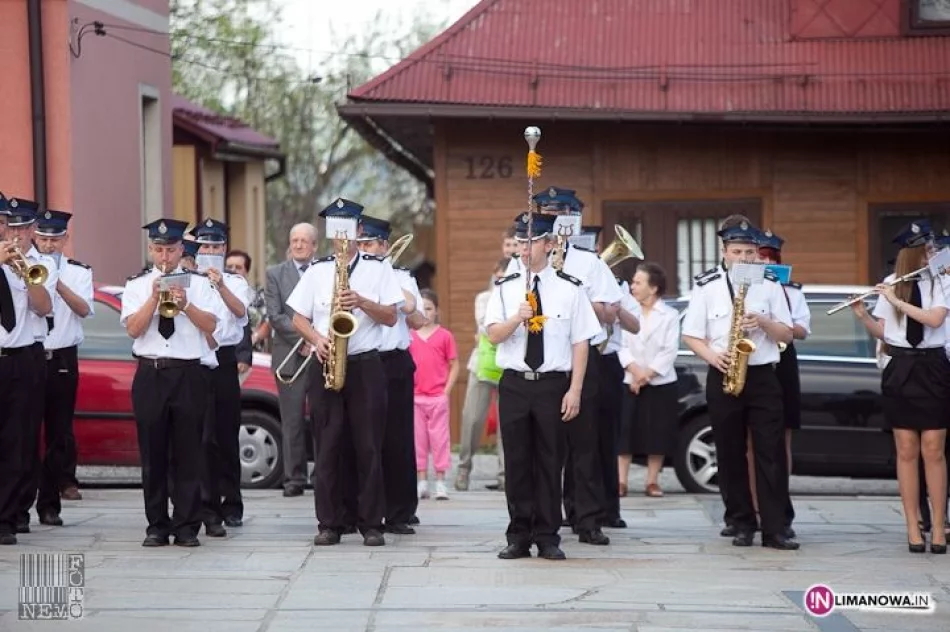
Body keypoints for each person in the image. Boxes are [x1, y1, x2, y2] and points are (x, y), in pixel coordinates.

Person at [287, 198, 403, 547]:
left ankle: (371, 523)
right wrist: (317, 339)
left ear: (358, 231)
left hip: (365, 364)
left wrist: (362, 301)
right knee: (327, 445)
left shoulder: (378, 268)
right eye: (335, 229)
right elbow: (297, 317)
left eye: (347, 228)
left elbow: (392, 317)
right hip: (326, 362)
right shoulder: (318, 269)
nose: (341, 236)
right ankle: (329, 522)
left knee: (368, 445)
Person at [485, 212, 600, 560]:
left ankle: (548, 534)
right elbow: (492, 335)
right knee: (518, 461)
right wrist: (515, 318)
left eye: (531, 241)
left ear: (549, 245)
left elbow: (581, 342)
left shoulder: (569, 288)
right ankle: (518, 533)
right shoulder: (505, 287)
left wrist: (575, 389)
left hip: (552, 384)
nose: (524, 248)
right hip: (516, 383)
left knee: (551, 460)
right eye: (520, 241)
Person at [681, 218, 797, 550]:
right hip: (724, 370)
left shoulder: (771, 284)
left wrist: (762, 321)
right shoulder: (707, 286)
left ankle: (774, 527)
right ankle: (740, 521)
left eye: (749, 251)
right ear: (725, 252)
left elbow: (786, 335)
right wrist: (712, 357)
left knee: (770, 452)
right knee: (729, 452)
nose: (744, 257)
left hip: (762, 374)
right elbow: (691, 334)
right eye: (737, 251)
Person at [524, 187, 624, 546]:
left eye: (562, 213)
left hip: (583, 354)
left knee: (584, 442)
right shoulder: (527, 258)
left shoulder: (589, 261)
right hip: (544, 360)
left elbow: (612, 310)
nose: (556, 219)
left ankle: (587, 518)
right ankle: (542, 516)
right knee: (545, 444)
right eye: (547, 212)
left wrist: (577, 298)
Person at [121, 218, 224, 547]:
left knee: (188, 452)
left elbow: (211, 326)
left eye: (171, 249)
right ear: (151, 250)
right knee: (153, 453)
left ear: (182, 250)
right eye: (159, 249)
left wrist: (186, 305)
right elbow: (133, 330)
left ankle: (186, 525)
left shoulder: (200, 284)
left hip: (187, 372)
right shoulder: (137, 285)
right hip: (151, 371)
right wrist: (154, 299)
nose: (165, 256)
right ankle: (156, 525)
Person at [851, 219, 949, 554]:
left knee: (933, 449)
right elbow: (886, 333)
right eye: (926, 251)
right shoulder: (892, 283)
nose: (931, 256)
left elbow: (934, 320)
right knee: (906, 451)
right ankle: (912, 527)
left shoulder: (941, 282)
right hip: (901, 368)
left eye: (933, 250)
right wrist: (864, 315)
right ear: (912, 254)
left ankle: (938, 526)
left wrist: (896, 301)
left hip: (933, 366)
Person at [356, 215, 427, 534]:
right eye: (360, 244)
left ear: (384, 246)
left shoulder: (401, 276)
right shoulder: (352, 275)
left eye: (369, 244)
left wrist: (405, 300)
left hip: (394, 362)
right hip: (362, 361)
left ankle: (399, 511)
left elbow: (419, 321)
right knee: (364, 438)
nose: (364, 249)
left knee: (397, 439)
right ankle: (363, 509)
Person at [31, 210, 95, 527]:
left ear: (64, 239)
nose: (48, 244)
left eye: (55, 238)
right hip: (30, 353)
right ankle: (17, 503)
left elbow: (85, 309)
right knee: (24, 432)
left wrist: (56, 286)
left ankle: (49, 503)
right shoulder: (24, 265)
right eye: (43, 238)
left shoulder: (78, 272)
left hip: (62, 356)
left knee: (58, 434)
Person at [191, 219, 253, 533]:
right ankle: (207, 505)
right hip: (197, 360)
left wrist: (221, 284)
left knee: (227, 436)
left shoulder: (234, 280)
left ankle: (232, 503)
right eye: (205, 246)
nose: (211, 252)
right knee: (203, 439)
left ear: (224, 248)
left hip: (225, 360)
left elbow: (241, 312)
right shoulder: (188, 279)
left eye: (216, 247)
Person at [0, 198, 52, 545]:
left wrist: (29, 278)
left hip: (18, 359)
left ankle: (6, 517)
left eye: (4, 222)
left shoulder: (26, 264)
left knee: (16, 441)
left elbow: (45, 308)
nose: (4, 229)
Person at [751, 229, 809, 539]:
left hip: (782, 359)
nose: (763, 260)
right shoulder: (742, 286)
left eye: (769, 257)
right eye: (759, 255)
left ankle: (780, 507)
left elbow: (801, 330)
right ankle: (752, 508)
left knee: (781, 437)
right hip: (754, 357)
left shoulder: (791, 291)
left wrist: (782, 323)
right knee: (749, 438)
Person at [617, 262, 680, 497]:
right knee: (625, 430)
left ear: (653, 288)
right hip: (628, 378)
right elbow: (620, 345)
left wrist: (646, 375)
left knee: (658, 430)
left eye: (637, 282)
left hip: (659, 381)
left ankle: (652, 480)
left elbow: (669, 350)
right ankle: (621, 480)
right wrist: (634, 371)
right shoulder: (626, 310)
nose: (632, 286)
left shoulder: (670, 315)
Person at [266, 223, 318, 497]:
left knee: (323, 417)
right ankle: (294, 479)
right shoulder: (275, 273)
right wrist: (304, 338)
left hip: (321, 352)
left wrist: (316, 340)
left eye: (304, 241)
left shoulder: (325, 271)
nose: (298, 245)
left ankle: (322, 474)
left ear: (314, 246)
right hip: (289, 355)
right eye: (294, 240)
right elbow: (275, 315)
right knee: (292, 421)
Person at [455, 253, 511, 492]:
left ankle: (505, 475)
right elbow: (487, 326)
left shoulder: (521, 300)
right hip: (483, 364)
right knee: (473, 418)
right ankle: (463, 468)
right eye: (497, 278)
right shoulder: (484, 299)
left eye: (505, 279)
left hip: (509, 365)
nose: (499, 282)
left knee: (507, 424)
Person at [409, 289, 459, 500]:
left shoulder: (445, 336)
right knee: (418, 440)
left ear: (437, 311)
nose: (425, 313)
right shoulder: (410, 336)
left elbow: (454, 364)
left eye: (429, 308)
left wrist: (446, 391)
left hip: (437, 397)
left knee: (440, 440)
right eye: (422, 309)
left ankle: (440, 481)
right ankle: (422, 481)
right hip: (415, 398)